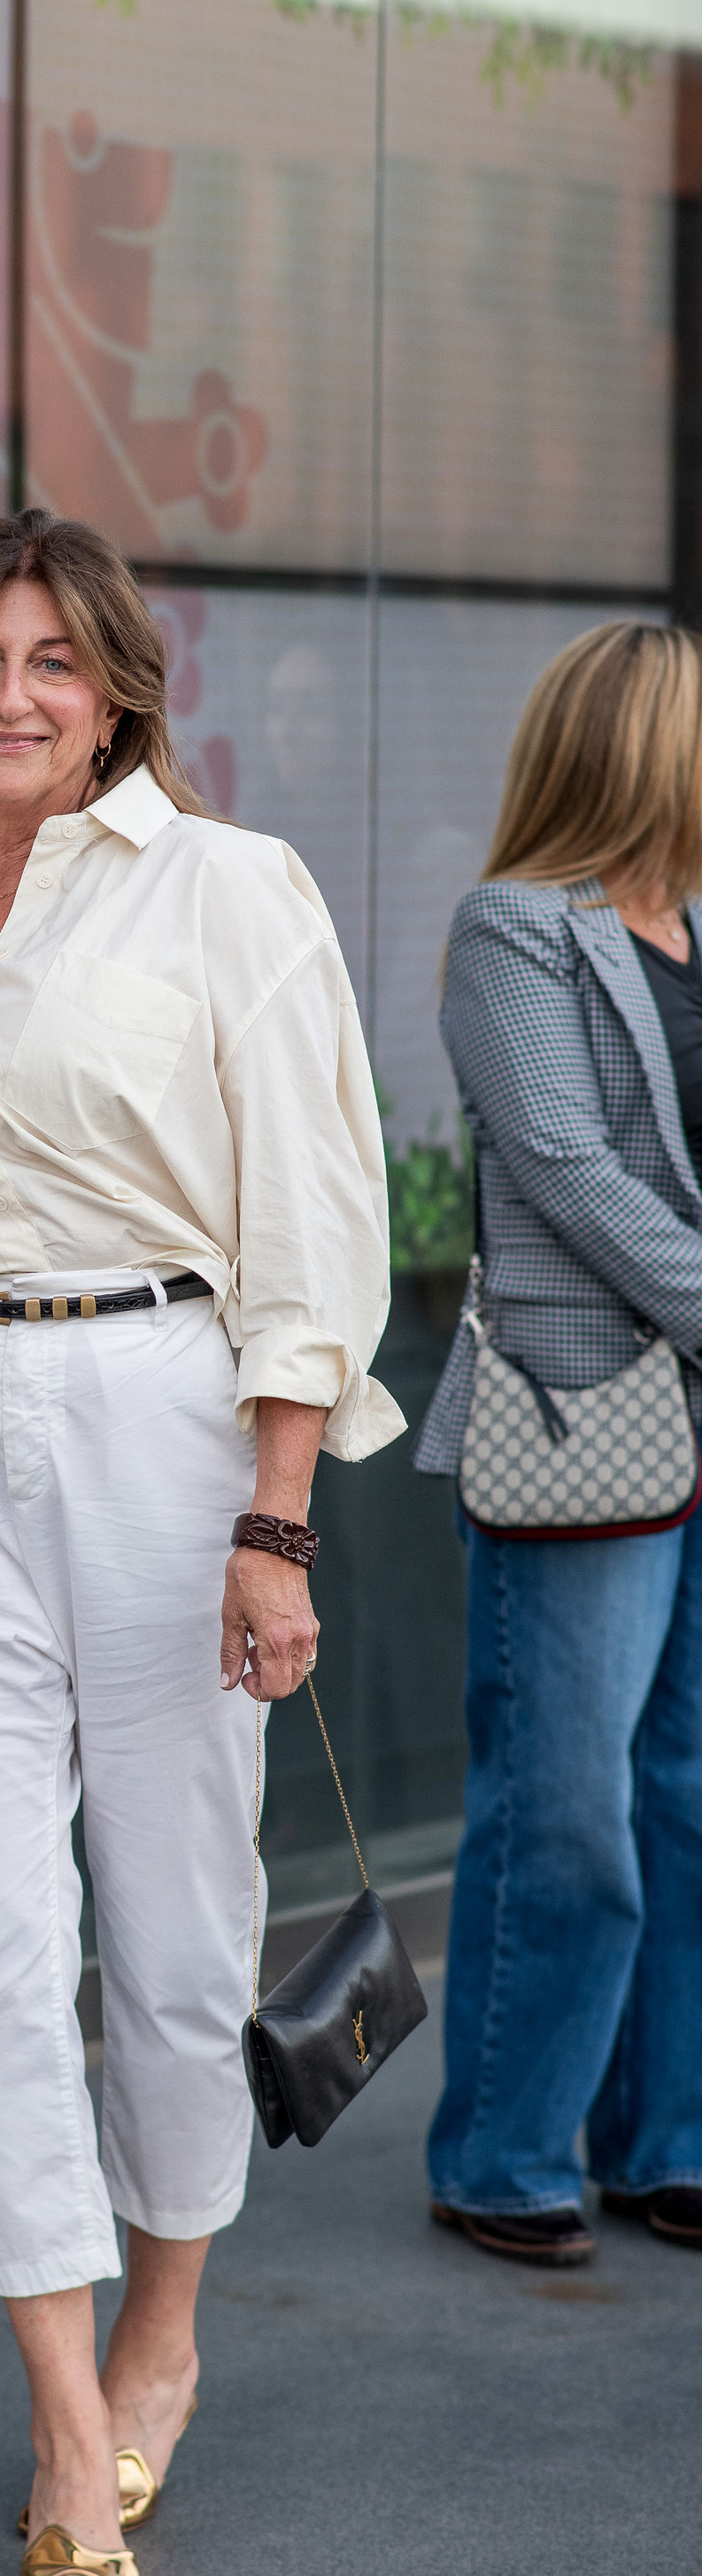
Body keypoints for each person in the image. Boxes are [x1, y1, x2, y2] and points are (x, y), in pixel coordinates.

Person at [0, 508, 402, 2576]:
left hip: (166, 1414)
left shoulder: (227, 888)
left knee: (173, 1933)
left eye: (52, 662)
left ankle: (163, 2325)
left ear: (116, 695)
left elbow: (312, 1218)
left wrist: (276, 1516)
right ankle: (67, 2417)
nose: (9, 696)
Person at [416, 621, 702, 2268]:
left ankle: (667, 2137)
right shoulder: (516, 929)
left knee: (689, 1795)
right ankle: (506, 2151)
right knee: (565, 1807)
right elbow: (570, 1168)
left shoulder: (700, 931)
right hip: (583, 1419)